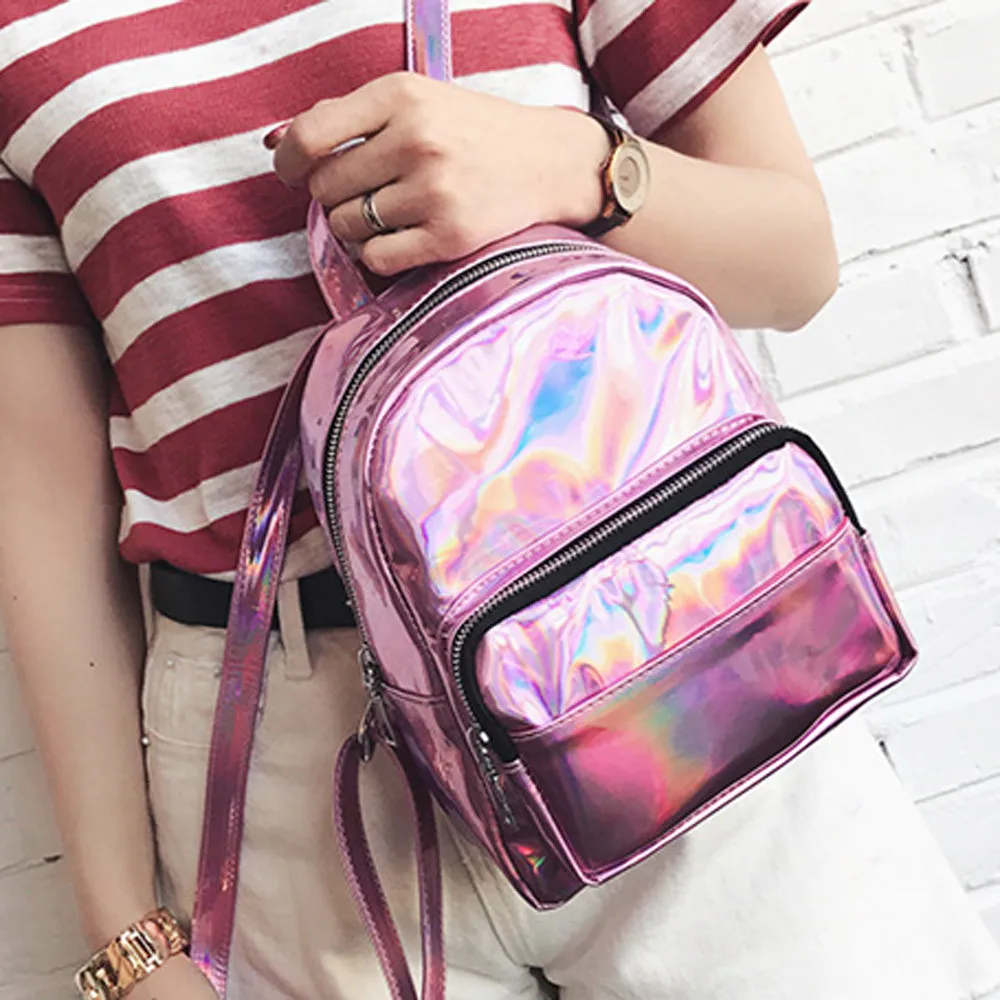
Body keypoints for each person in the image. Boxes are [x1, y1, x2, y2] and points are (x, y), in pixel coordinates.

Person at [1, 2, 998, 998]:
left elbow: (793, 262)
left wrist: (576, 167)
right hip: (287, 758)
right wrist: (124, 938)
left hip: (658, 647)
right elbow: (44, 488)